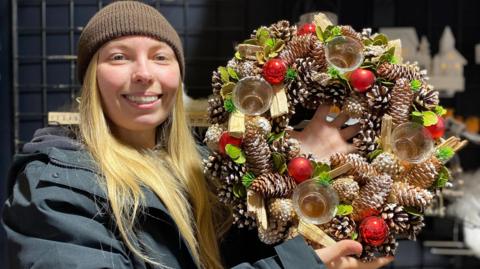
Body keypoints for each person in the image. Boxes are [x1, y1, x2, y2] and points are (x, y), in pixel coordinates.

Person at [2, 1, 394, 268]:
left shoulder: (202, 172)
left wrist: (300, 168)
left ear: (178, 75)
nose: (144, 73)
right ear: (91, 80)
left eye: (160, 57)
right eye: (118, 57)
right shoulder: (54, 188)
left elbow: (244, 252)